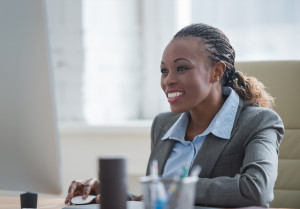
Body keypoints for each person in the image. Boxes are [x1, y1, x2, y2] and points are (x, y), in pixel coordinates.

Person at [64, 23, 284, 207]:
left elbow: (256, 190)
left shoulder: (259, 122)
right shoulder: (163, 124)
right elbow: (160, 199)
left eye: (181, 68)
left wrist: (175, 187)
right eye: (164, 70)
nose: (168, 80)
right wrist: (109, 193)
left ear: (216, 71)